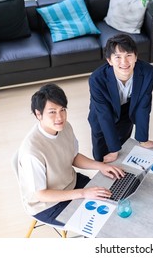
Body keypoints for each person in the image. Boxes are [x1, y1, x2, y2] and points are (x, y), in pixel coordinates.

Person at [15, 83, 125, 226]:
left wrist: (100, 166)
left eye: (63, 110)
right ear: (38, 114)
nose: (60, 117)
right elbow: (41, 194)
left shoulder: (64, 127)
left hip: (70, 183)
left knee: (113, 195)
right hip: (47, 205)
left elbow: (73, 156)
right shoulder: (32, 152)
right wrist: (83, 193)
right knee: (98, 221)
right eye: (52, 112)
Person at [88, 34, 153, 163]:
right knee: (102, 156)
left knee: (124, 150)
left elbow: (143, 106)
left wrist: (142, 139)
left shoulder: (148, 72)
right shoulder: (97, 79)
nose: (124, 62)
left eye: (128, 55)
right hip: (101, 117)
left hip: (127, 112)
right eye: (118, 57)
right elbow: (104, 115)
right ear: (109, 60)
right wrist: (114, 150)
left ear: (136, 56)